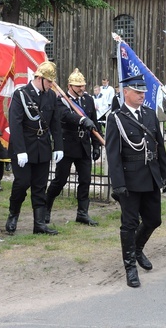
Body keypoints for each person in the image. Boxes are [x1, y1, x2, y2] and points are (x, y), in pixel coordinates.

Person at [106, 75, 166, 287]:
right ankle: (130, 266)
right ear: (126, 92)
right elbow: (113, 154)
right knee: (129, 223)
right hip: (130, 178)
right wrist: (118, 184)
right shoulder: (116, 118)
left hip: (151, 176)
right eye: (137, 92)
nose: (142, 95)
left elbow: (159, 146)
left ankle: (137, 248)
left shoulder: (150, 115)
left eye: (143, 92)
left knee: (154, 220)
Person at [5, 61, 63, 236]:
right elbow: (15, 123)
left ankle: (39, 224)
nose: (51, 85)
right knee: (22, 183)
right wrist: (20, 150)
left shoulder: (51, 96)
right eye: (49, 81)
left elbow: (55, 123)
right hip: (23, 146)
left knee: (40, 186)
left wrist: (58, 146)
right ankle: (13, 215)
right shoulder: (21, 94)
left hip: (42, 147)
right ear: (39, 78)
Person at [45, 68, 102, 226]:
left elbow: (94, 123)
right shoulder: (61, 100)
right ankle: (46, 208)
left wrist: (96, 145)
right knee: (60, 180)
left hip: (84, 145)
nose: (82, 89)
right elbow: (65, 115)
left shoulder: (88, 100)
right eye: (78, 86)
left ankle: (82, 213)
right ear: (70, 86)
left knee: (85, 180)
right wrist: (82, 121)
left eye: (83, 85)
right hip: (67, 145)